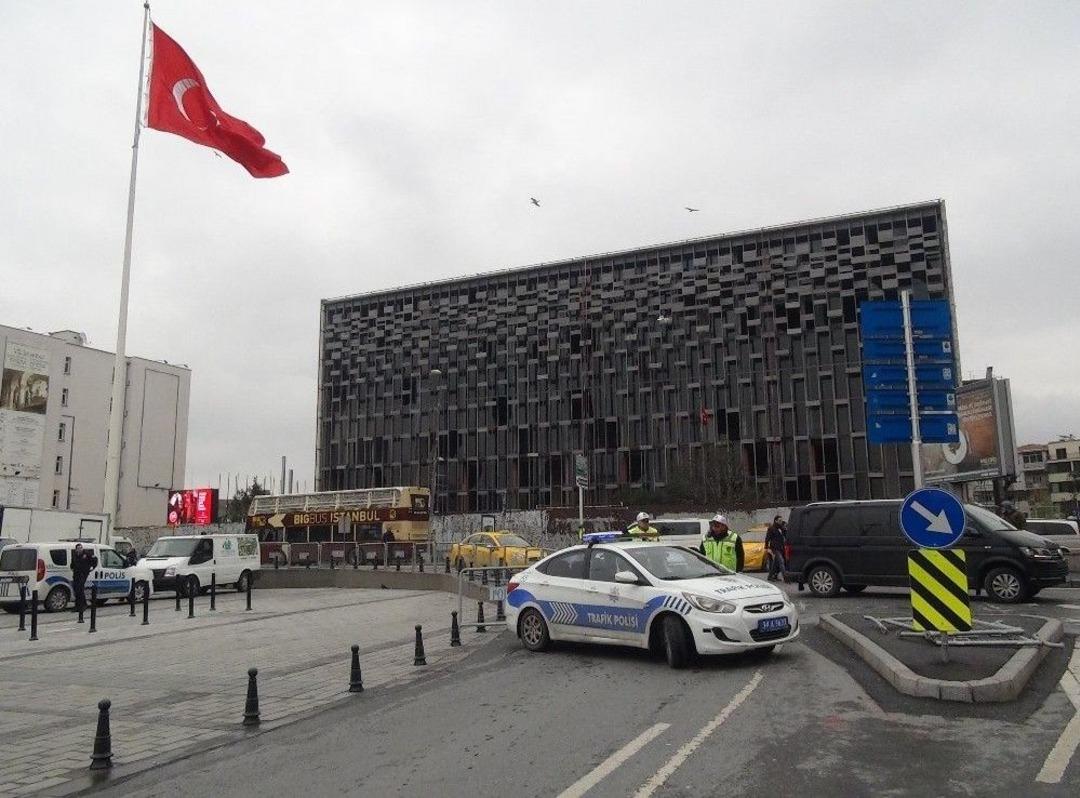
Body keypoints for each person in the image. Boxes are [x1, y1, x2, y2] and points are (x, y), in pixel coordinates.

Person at [71, 543, 98, 615]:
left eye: (81, 548)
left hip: (83, 574)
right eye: (78, 548)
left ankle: (83, 605)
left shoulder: (87, 554)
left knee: (80, 588)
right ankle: (77, 606)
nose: (80, 549)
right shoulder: (74, 555)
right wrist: (72, 568)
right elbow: (72, 563)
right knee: (76, 589)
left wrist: (91, 567)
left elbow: (95, 560)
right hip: (76, 574)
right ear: (76, 549)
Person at [764, 515, 787, 582]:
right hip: (775, 548)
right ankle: (786, 578)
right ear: (775, 521)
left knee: (776, 564)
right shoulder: (771, 528)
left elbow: (785, 536)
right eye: (779, 520)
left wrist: (785, 529)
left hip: (781, 548)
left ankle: (771, 576)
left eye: (781, 520)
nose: (781, 521)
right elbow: (767, 538)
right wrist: (766, 548)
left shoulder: (781, 528)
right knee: (781, 561)